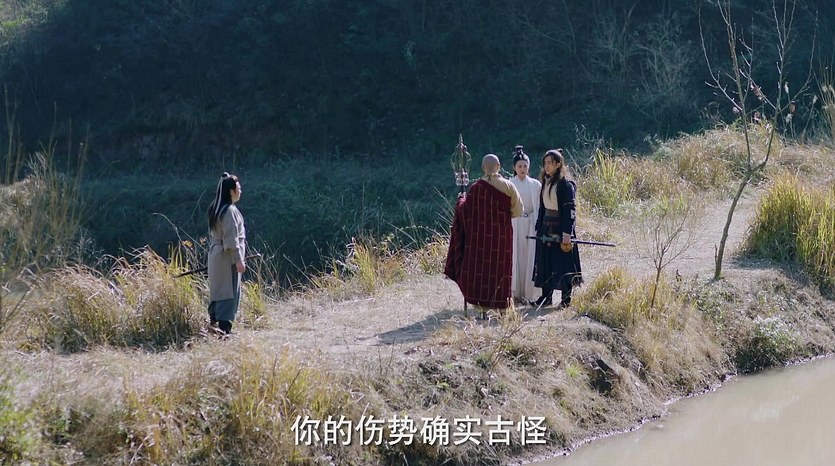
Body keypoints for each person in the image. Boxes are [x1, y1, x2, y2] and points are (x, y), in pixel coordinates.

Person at [444, 154, 523, 311]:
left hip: (481, 239)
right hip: (501, 238)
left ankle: (481, 307)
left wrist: (461, 200)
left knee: (481, 270)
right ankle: (502, 306)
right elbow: (518, 211)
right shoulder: (508, 186)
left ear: (483, 168)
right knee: (500, 269)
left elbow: (465, 212)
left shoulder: (475, 188)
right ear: (499, 166)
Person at [532, 149, 582, 308]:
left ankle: (566, 299)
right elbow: (542, 208)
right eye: (545, 163)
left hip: (561, 228)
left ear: (558, 164)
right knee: (546, 261)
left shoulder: (565, 185)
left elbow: (570, 210)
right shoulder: (545, 182)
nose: (546, 166)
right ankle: (546, 297)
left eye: (550, 163)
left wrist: (567, 232)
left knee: (563, 263)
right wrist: (539, 227)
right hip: (546, 227)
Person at [206, 172, 247, 334]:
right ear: (231, 191)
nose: (240, 191)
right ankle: (224, 332)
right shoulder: (229, 211)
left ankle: (214, 326)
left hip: (215, 256)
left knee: (218, 291)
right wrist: (239, 260)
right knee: (228, 293)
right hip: (227, 258)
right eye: (238, 188)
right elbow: (231, 240)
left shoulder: (215, 208)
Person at [509, 146, 542, 305]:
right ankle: (515, 292)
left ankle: (529, 293)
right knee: (516, 255)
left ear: (528, 167)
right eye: (519, 166)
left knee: (530, 255)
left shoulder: (535, 185)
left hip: (531, 222)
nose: (522, 169)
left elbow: (539, 205)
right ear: (514, 168)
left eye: (525, 166)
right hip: (515, 222)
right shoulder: (510, 184)